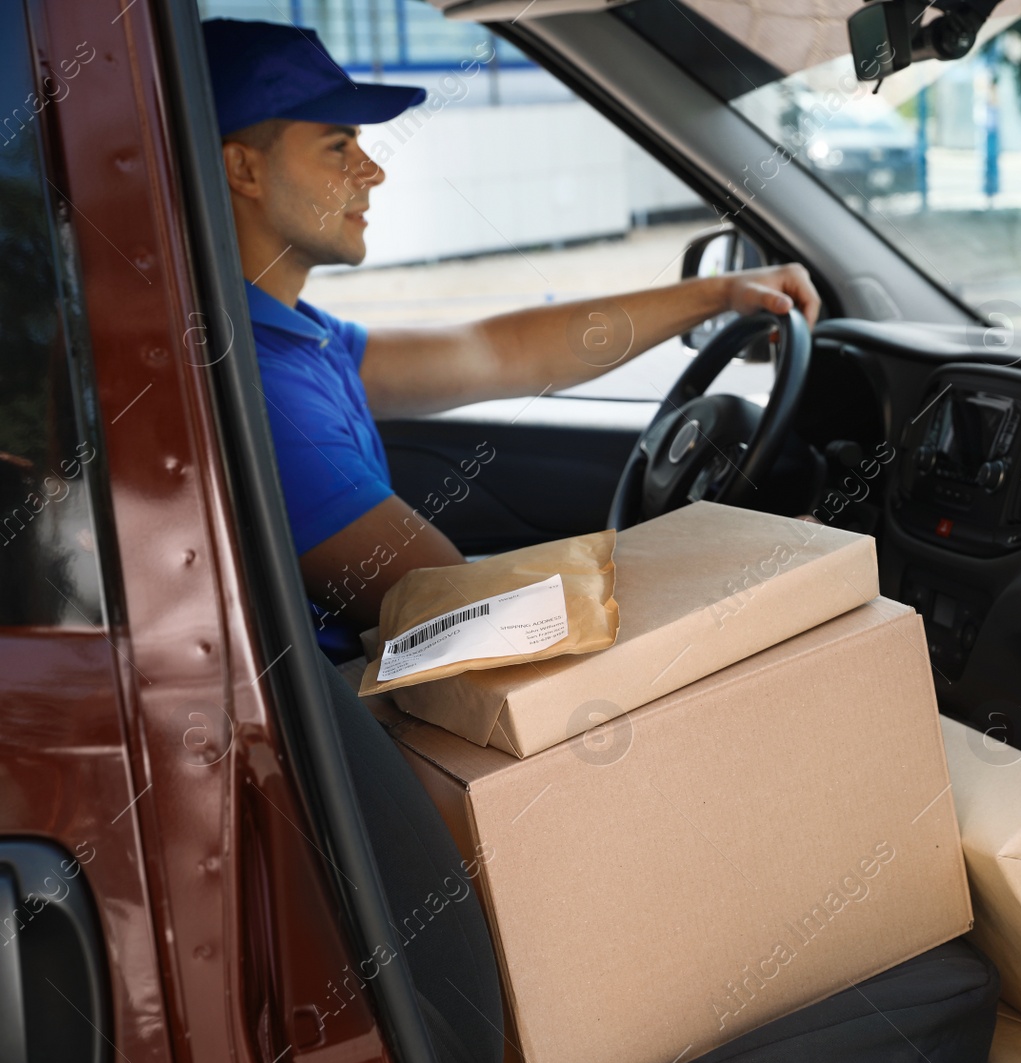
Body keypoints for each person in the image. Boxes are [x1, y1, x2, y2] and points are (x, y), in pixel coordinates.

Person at [202, 19, 821, 660]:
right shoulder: (258, 386)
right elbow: (455, 611)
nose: (372, 171)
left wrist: (719, 295)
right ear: (243, 169)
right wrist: (733, 560)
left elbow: (502, 352)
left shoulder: (292, 338)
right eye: (338, 146)